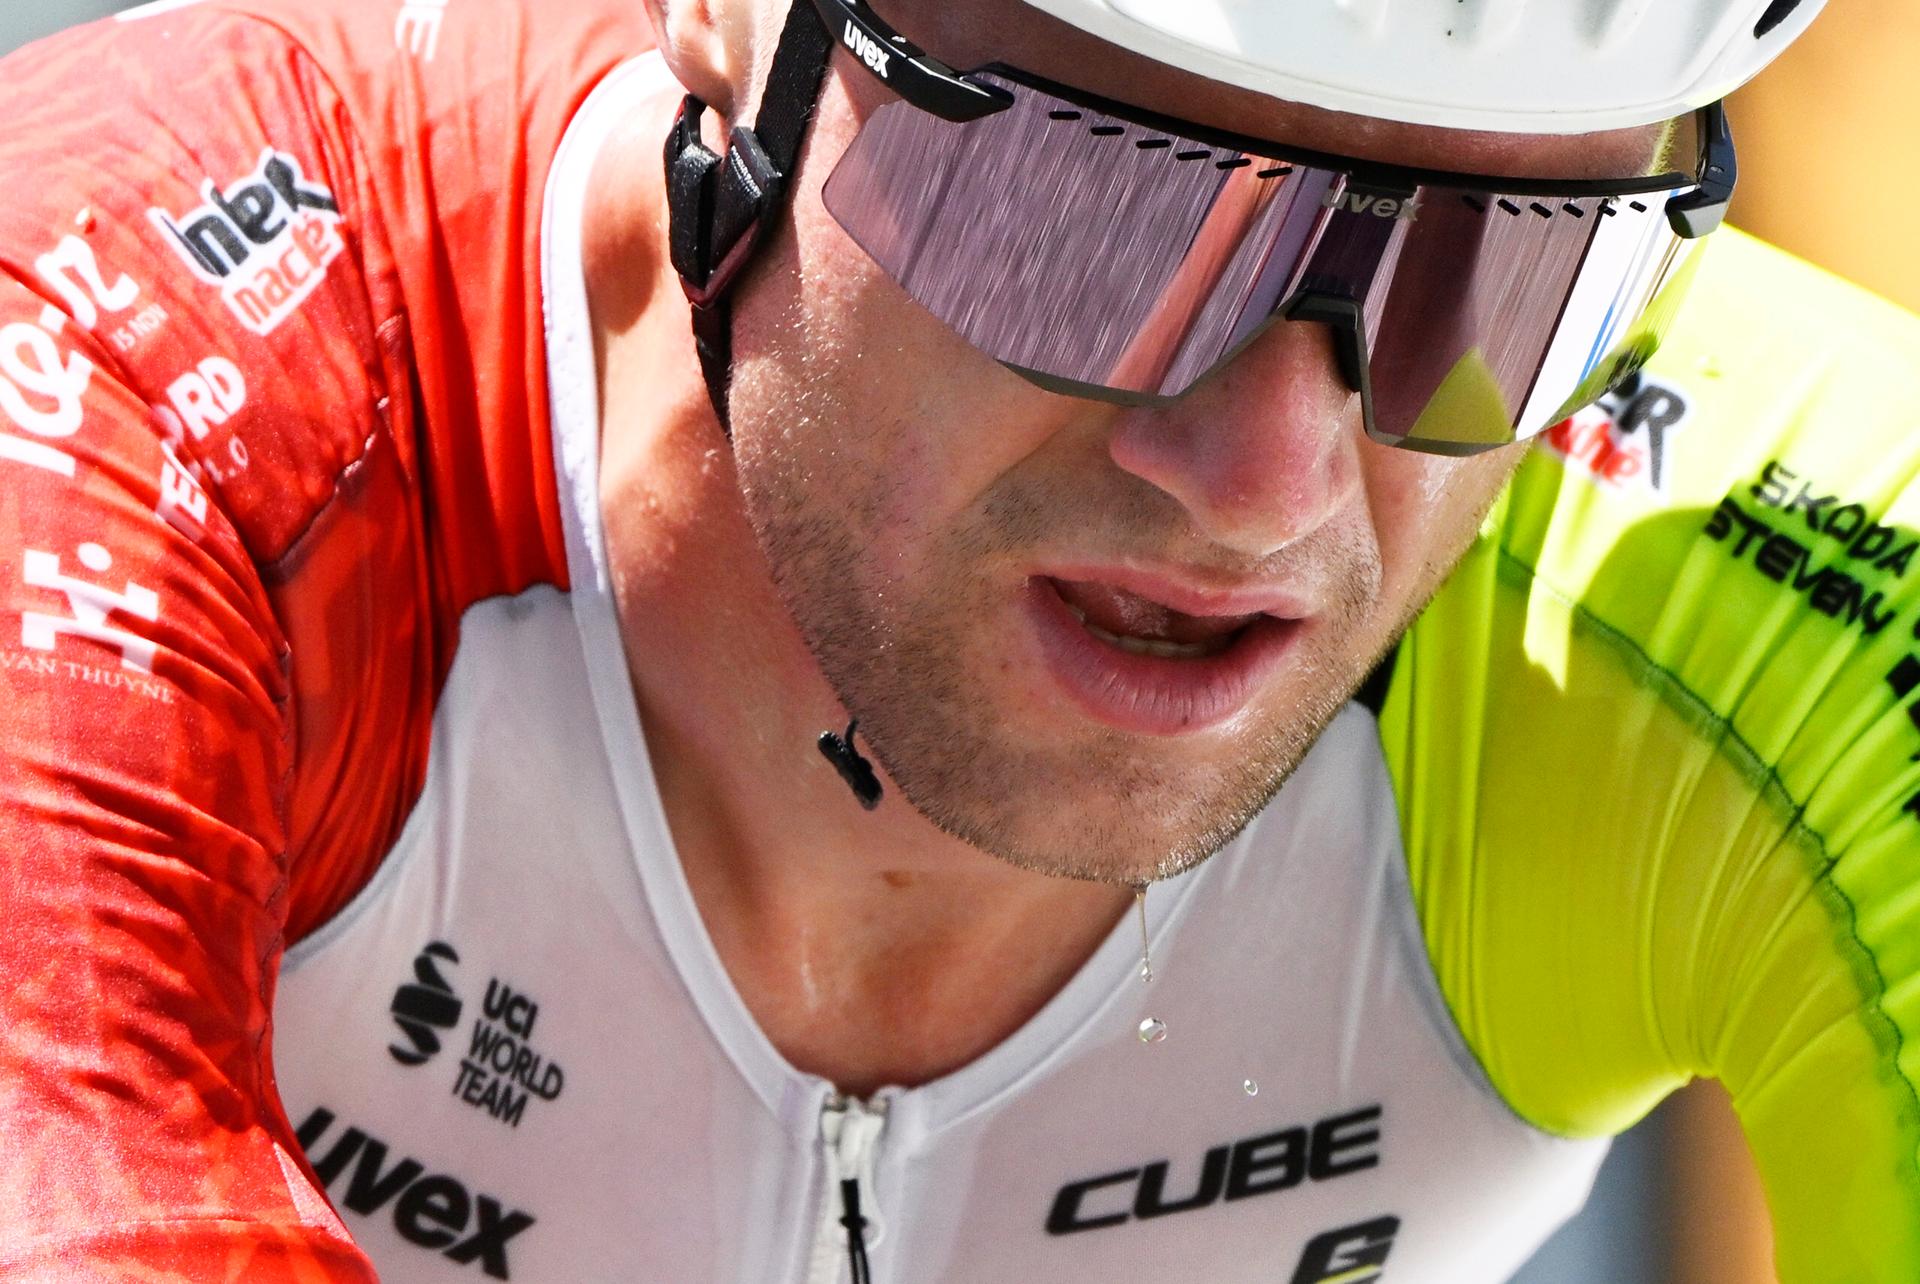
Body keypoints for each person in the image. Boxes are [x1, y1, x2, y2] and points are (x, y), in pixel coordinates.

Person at [0, 0, 1910, 1279]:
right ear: (734, 34)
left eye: (1511, 273)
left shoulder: (1775, 585)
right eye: (1091, 217)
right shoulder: (135, 389)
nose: (1266, 480)